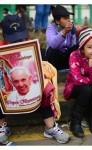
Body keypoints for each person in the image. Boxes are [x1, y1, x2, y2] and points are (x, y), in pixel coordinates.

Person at [0, 14, 70, 146]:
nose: (18, 42)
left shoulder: (33, 47)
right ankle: (2, 127)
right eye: (13, 40)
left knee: (44, 86)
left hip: (28, 85)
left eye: (21, 38)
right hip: (7, 88)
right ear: (4, 37)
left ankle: (50, 128)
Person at [63, 27, 92, 138]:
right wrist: (91, 79)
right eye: (90, 47)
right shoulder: (74, 56)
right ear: (82, 49)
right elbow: (77, 79)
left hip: (91, 87)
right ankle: (75, 122)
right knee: (88, 88)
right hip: (74, 87)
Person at [46, 5, 80, 70]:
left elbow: (75, 44)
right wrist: (64, 32)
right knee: (53, 50)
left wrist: (78, 34)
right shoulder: (51, 28)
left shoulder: (71, 27)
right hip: (54, 58)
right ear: (57, 21)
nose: (69, 20)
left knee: (78, 47)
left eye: (69, 18)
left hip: (65, 55)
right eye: (65, 18)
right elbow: (53, 45)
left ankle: (76, 69)